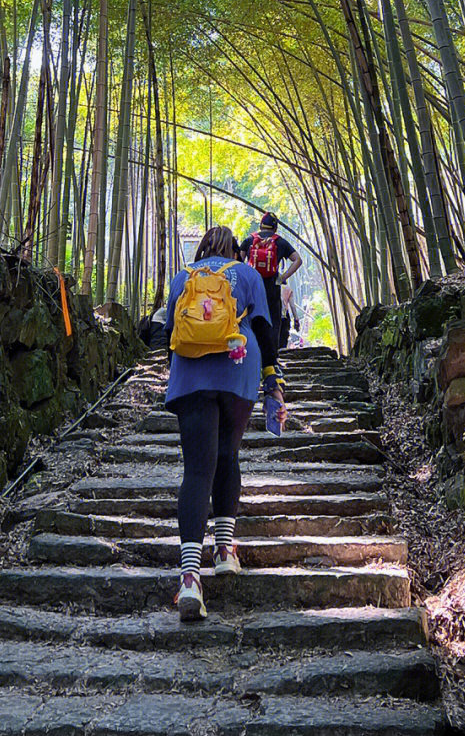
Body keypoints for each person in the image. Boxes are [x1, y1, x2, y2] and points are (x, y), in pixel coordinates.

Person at [164, 225, 281, 621]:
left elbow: (169, 335)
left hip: (190, 377)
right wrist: (271, 380)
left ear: (201, 249)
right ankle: (226, 550)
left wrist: (179, 379)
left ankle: (190, 578)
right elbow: (265, 332)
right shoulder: (247, 274)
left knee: (197, 470)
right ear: (235, 249)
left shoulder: (185, 277)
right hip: (237, 372)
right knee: (228, 455)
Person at [239, 211, 302, 347]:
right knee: (273, 320)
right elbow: (298, 260)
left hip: (252, 288)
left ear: (261, 225)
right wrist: (283, 277)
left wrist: (245, 278)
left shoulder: (249, 240)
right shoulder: (280, 242)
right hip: (272, 287)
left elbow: (237, 262)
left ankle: (253, 355)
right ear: (275, 227)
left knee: (251, 318)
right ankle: (272, 360)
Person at [279, 282, 301, 350]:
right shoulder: (287, 289)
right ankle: (281, 353)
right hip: (284, 315)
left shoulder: (270, 287)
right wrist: (296, 319)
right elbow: (292, 306)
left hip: (273, 315)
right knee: (283, 337)